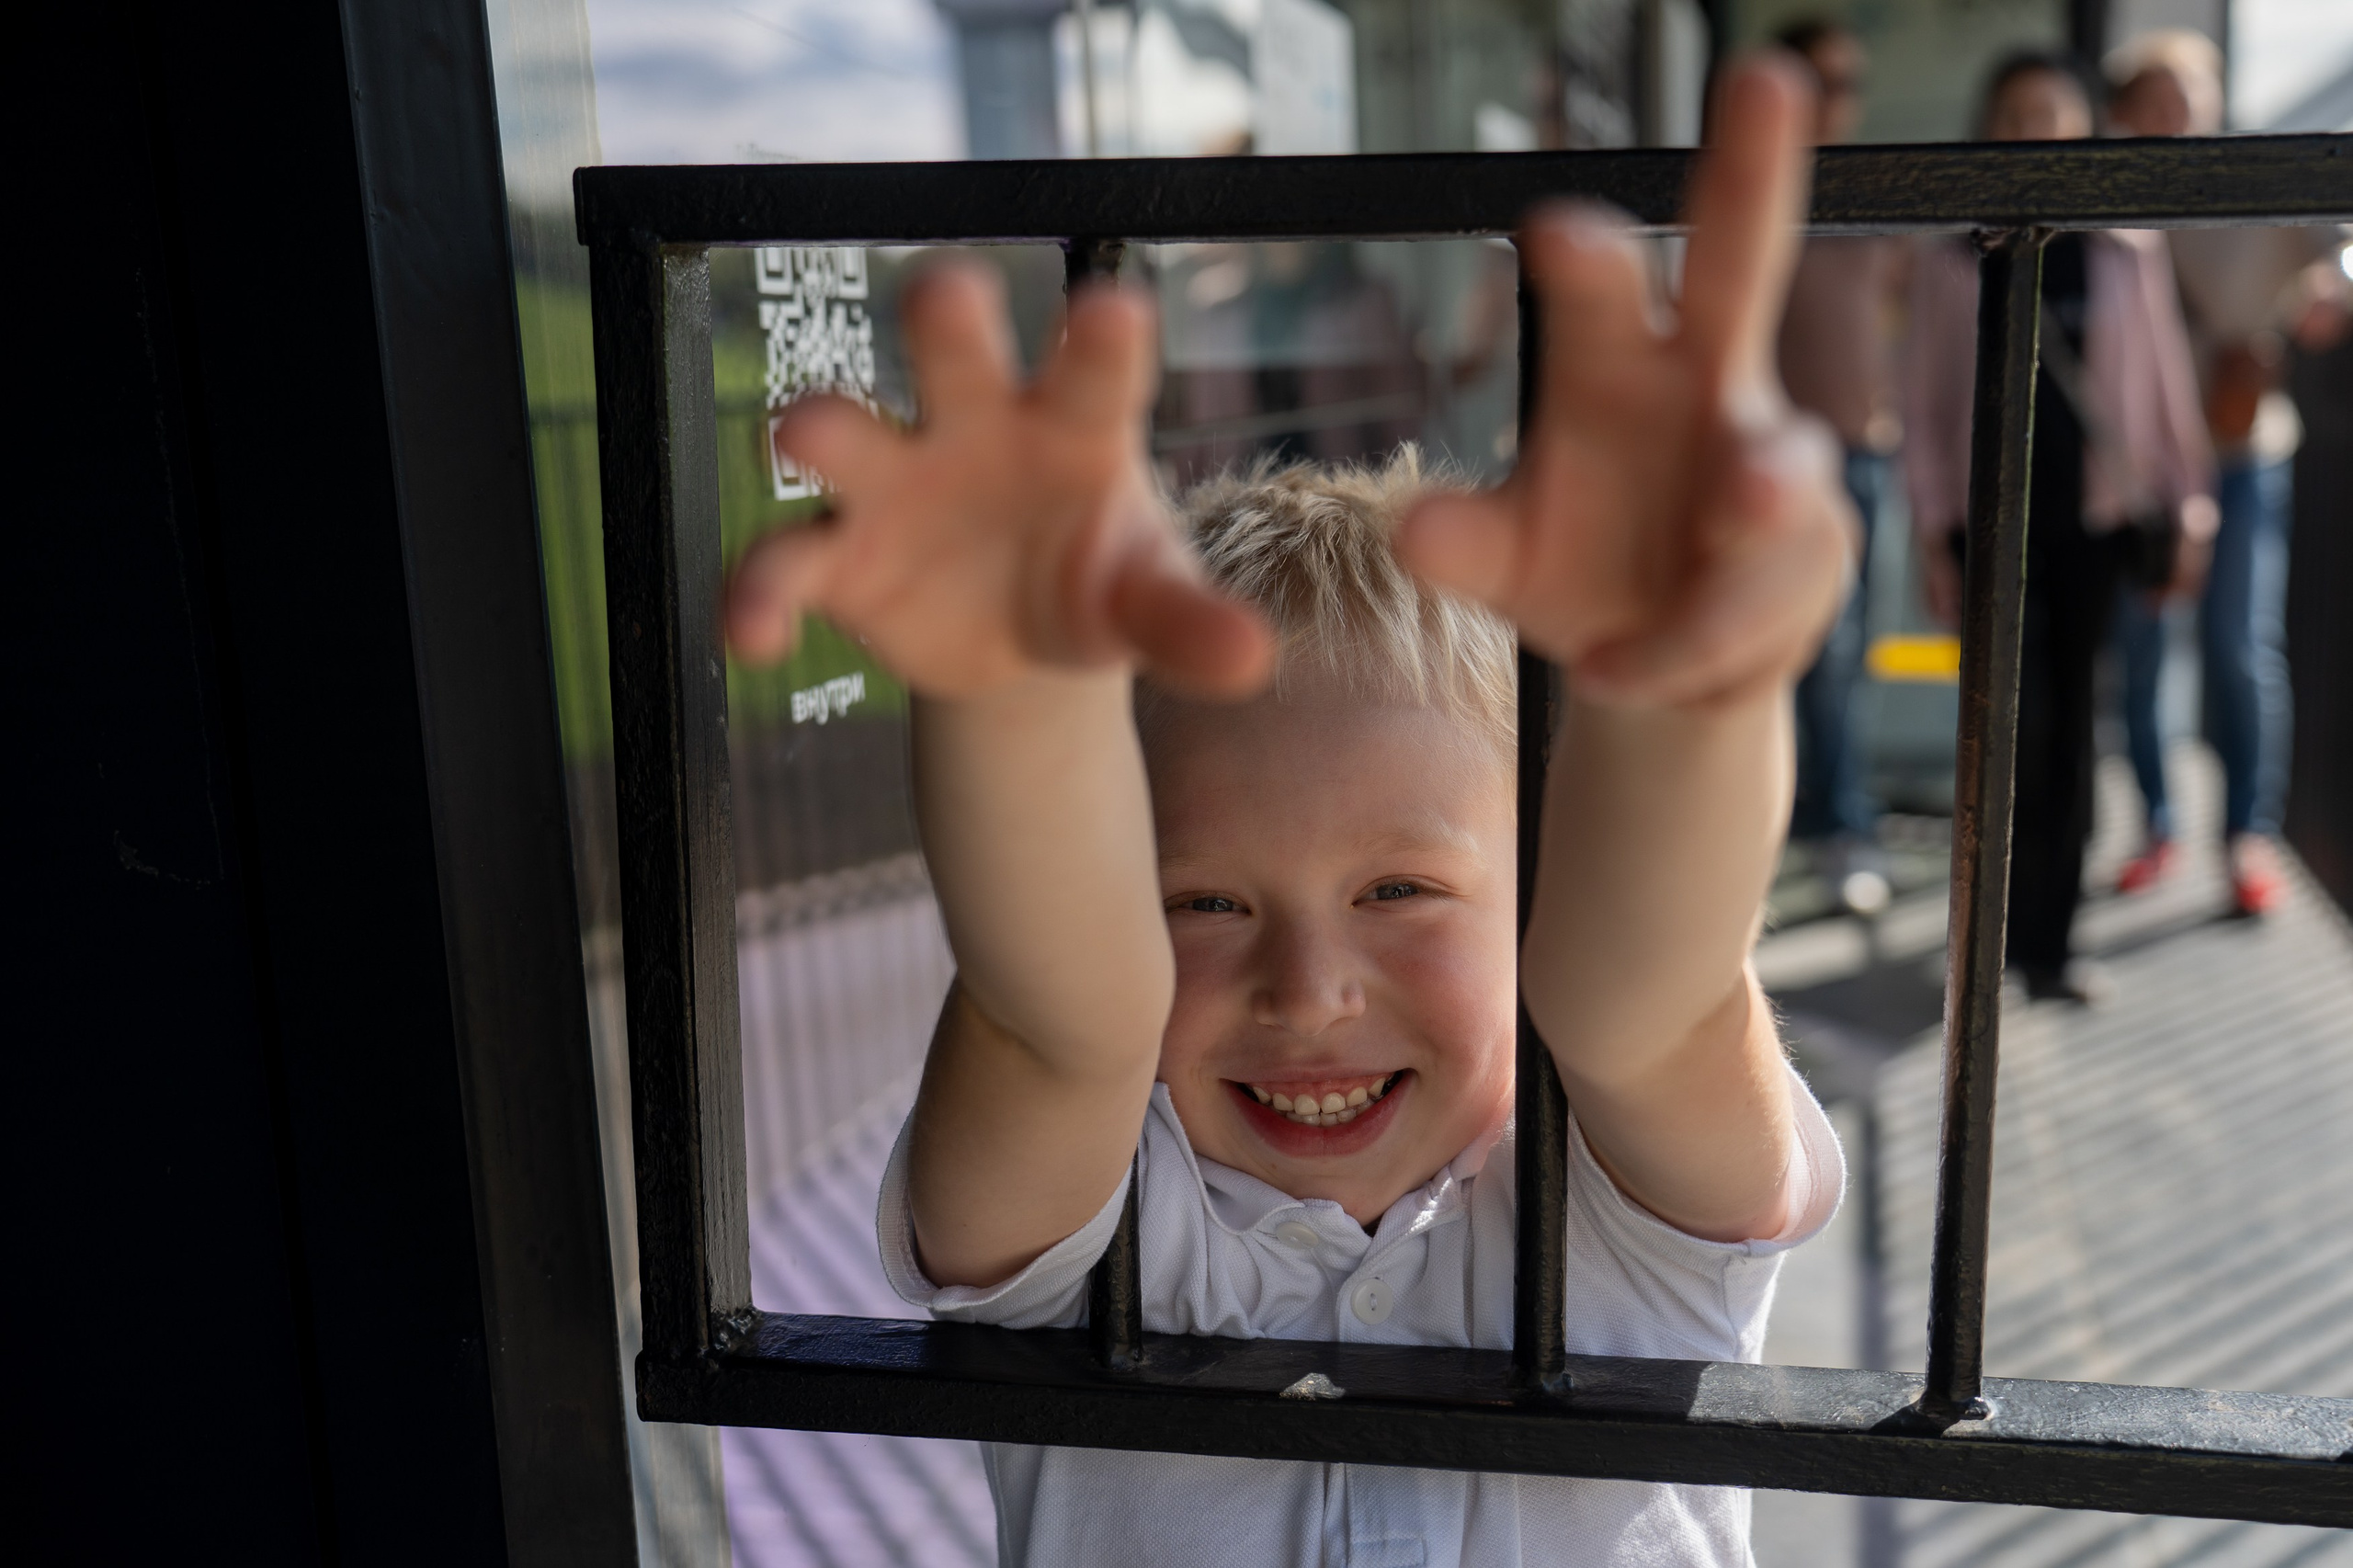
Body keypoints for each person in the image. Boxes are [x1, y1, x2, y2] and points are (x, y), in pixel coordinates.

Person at [726, 60, 1853, 1567]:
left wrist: (1690, 698)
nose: (1308, 990)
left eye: (1402, 890)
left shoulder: (1619, 1211)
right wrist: (1014, 698)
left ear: (1537, 891)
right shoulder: (1102, 1226)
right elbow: (1062, 1014)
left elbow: (1647, 996)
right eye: (1204, 900)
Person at [1904, 51, 2213, 1004]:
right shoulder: (1955, 255)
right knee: (2000, 734)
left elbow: (2163, 382)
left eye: (2053, 112)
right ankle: (1986, 946)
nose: (2035, 130)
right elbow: (1921, 407)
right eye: (2015, 112)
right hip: (1990, 526)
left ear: (2084, 125)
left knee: (2075, 730)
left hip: (2094, 522)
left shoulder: (2124, 245)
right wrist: (1928, 533)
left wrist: (2190, 501)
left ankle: (2051, 942)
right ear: (1984, 126)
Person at [2102, 29, 2343, 916]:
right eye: (2155, 97)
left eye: (2188, 95)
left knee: (2241, 650)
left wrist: (2310, 304)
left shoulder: (2259, 180)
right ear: (2126, 110)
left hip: (2243, 456)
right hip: (2141, 469)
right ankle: (2157, 826)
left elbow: (2334, 256)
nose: (2174, 114)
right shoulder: (2113, 204)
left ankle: (2246, 834)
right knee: (2141, 652)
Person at [1773, 16, 1907, 915]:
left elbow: (1907, 313)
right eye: (1819, 80)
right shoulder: (1750, 192)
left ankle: (1832, 825)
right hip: (1770, 462)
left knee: (1841, 654)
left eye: (1846, 81)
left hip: (1859, 456)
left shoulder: (1872, 196)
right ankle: (1806, 828)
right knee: (1786, 653)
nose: (1837, 99)